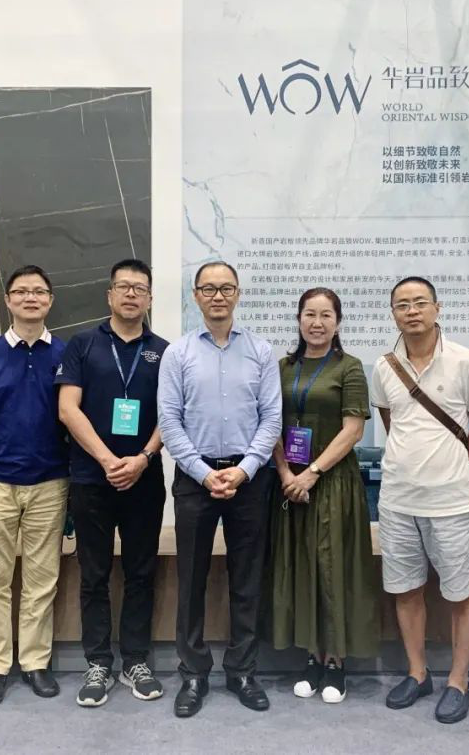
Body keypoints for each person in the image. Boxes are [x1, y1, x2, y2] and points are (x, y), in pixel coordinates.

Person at [158, 261, 282, 718]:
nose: (217, 296)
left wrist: (245, 470)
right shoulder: (178, 353)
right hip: (196, 480)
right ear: (195, 296)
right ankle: (193, 673)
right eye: (208, 289)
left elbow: (272, 417)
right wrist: (202, 472)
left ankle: (242, 670)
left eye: (226, 288)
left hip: (250, 479)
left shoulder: (261, 351)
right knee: (191, 579)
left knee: (247, 578)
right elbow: (169, 419)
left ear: (237, 294)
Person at [370, 276, 469, 723]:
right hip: (398, 500)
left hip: (451, 502)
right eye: (402, 304)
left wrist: (457, 463)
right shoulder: (384, 367)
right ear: (393, 314)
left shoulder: (466, 362)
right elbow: (392, 422)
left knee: (460, 593)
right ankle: (417, 672)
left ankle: (459, 681)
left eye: (420, 302)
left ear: (437, 308)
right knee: (406, 590)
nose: (412, 311)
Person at [56, 259, 169, 707]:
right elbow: (68, 408)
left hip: (145, 478)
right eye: (123, 286)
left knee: (141, 572)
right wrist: (106, 459)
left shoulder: (164, 351)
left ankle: (135, 661)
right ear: (109, 295)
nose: (131, 294)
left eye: (140, 288)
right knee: (95, 574)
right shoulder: (83, 344)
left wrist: (142, 458)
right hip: (91, 477)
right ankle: (98, 662)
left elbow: (172, 414)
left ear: (149, 298)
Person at [0, 265, 69, 708]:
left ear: (50, 300)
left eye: (39, 291)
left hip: (50, 483)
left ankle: (36, 662)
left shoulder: (66, 354)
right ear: (7, 300)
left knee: (42, 580)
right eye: (21, 291)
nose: (30, 298)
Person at [268, 288, 381, 703]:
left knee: (332, 567)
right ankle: (311, 656)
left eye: (326, 315)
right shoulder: (281, 367)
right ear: (299, 319)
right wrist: (286, 472)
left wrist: (312, 473)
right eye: (309, 314)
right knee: (299, 565)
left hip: (331, 482)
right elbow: (270, 422)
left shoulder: (349, 368)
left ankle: (335, 661)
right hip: (289, 482)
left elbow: (353, 430)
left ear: (337, 322)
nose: (317, 323)